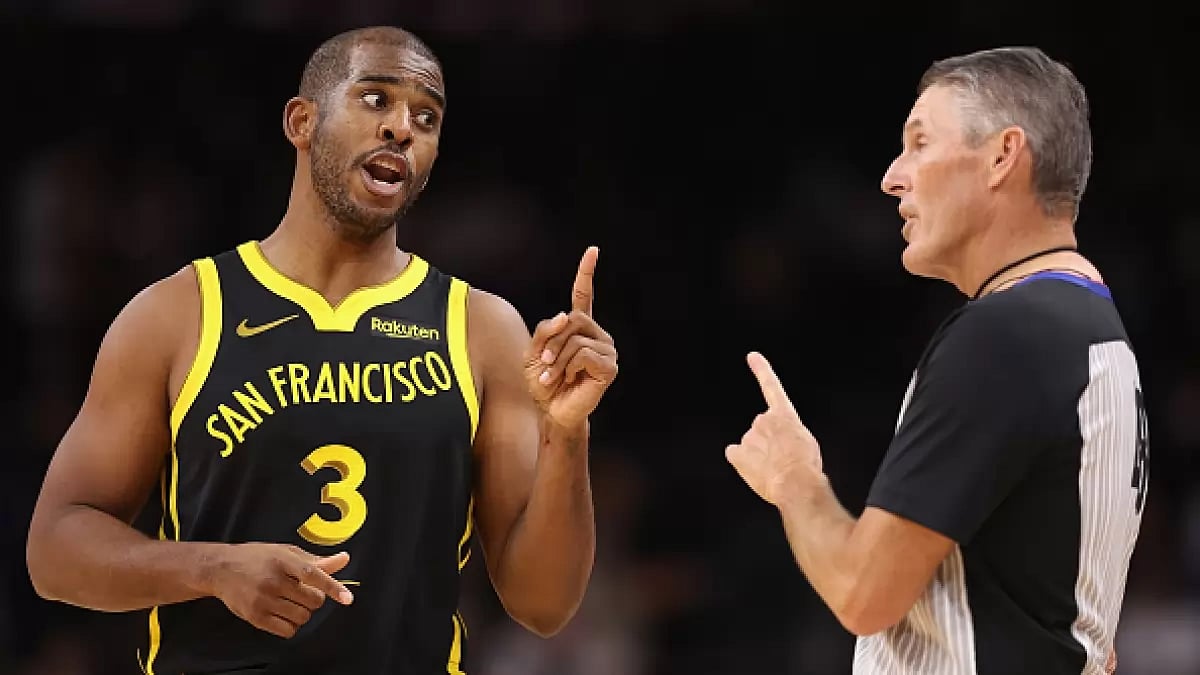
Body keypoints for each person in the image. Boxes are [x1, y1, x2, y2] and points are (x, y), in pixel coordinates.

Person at [25, 25, 618, 675]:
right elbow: (54, 550)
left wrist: (567, 432)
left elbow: (544, 604)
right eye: (375, 100)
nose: (402, 127)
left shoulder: (480, 328)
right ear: (302, 121)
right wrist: (211, 566)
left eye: (426, 117)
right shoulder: (179, 313)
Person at [725, 46, 1141, 674]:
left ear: (1003, 155)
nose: (895, 176)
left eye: (920, 144)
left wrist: (794, 478)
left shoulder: (1007, 335)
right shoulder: (1095, 328)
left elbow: (864, 594)